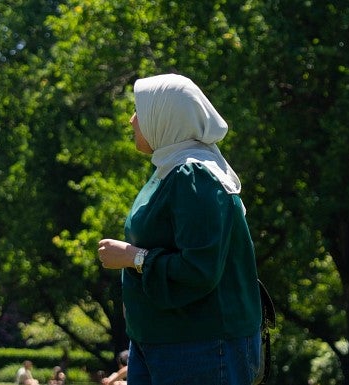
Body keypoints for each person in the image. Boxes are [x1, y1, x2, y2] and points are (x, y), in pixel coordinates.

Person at [96, 73, 263, 385]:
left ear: (165, 117)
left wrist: (135, 257)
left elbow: (199, 269)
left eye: (140, 111)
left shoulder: (195, 175)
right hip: (164, 341)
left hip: (199, 347)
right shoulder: (171, 169)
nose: (132, 120)